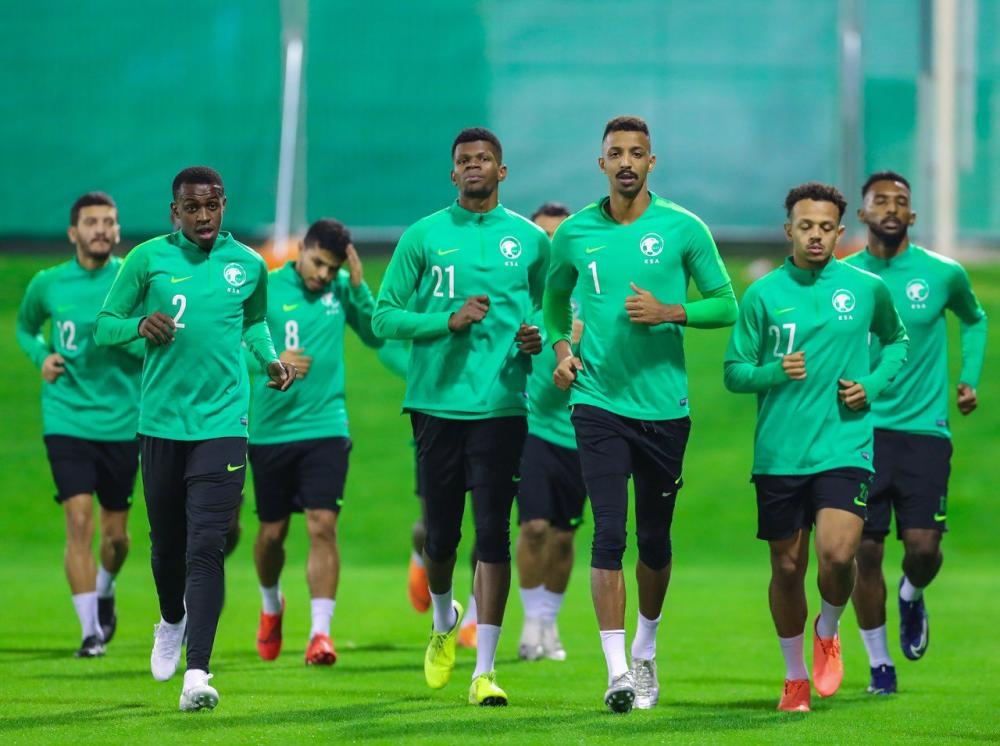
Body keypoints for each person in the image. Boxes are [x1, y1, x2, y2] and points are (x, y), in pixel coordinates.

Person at [544, 115, 738, 713]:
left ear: (652, 162)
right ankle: (618, 673)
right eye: (616, 153)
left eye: (637, 153)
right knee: (608, 532)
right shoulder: (574, 233)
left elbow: (726, 304)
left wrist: (671, 312)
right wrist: (562, 351)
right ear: (600, 162)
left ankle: (646, 650)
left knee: (654, 541)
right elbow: (553, 302)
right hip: (597, 402)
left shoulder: (683, 228)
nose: (626, 162)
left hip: (663, 409)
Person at [95, 166, 295, 711]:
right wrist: (138, 326)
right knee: (167, 547)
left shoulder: (249, 265)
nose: (203, 216)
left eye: (211, 205)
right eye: (191, 207)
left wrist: (269, 359)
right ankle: (171, 619)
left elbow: (253, 323)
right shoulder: (147, 259)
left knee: (207, 546)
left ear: (223, 204)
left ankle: (197, 673)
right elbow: (105, 325)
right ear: (174, 212)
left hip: (224, 424)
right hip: (161, 424)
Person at [373, 127, 547, 707]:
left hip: (501, 405)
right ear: (452, 173)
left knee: (494, 533)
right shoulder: (423, 235)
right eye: (464, 160)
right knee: (442, 536)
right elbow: (384, 317)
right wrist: (444, 321)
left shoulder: (530, 241)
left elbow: (547, 307)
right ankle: (443, 619)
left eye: (485, 159)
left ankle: (485, 671)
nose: (474, 166)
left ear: (502, 171)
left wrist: (537, 337)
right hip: (435, 405)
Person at [723, 182, 909, 713]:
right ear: (789, 230)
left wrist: (872, 385)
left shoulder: (866, 288)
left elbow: (897, 342)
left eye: (826, 227)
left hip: (844, 445)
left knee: (837, 554)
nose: (816, 235)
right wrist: (773, 371)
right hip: (780, 453)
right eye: (806, 226)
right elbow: (734, 372)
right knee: (786, 568)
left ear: (840, 232)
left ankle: (828, 628)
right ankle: (794, 676)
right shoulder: (762, 295)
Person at [846, 171, 987, 694]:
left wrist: (969, 379)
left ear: (912, 215)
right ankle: (880, 664)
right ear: (862, 214)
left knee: (924, 548)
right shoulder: (844, 277)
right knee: (865, 552)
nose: (890, 207)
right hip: (859, 432)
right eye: (879, 200)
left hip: (925, 432)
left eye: (900, 201)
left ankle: (911, 593)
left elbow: (974, 319)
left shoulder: (943, 273)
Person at [249, 218, 381, 665]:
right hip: (271, 430)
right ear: (301, 249)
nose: (324, 275)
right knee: (272, 534)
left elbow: (375, 334)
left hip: (326, 426)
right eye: (319, 263)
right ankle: (271, 605)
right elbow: (230, 347)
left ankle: (320, 635)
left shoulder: (343, 290)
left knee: (322, 525)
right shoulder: (265, 287)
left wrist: (359, 287)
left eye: (332, 268)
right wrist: (270, 360)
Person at [16, 192, 142, 658]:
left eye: (109, 221)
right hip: (66, 417)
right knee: (78, 518)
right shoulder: (48, 284)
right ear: (73, 232)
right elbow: (26, 327)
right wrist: (41, 356)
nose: (102, 230)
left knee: (116, 538)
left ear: (118, 229)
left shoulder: (134, 280)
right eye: (92, 222)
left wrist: (128, 337)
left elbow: (152, 341)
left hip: (123, 422)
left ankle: (105, 589)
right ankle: (91, 633)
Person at [515, 201, 584, 662]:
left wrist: (582, 341)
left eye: (560, 236)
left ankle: (549, 622)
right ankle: (529, 623)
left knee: (562, 536)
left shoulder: (592, 295)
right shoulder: (520, 295)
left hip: (580, 431)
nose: (552, 244)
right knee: (535, 527)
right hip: (531, 426)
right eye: (544, 236)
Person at [384, 338, 481, 648]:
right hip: (436, 424)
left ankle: (474, 619)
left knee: (489, 528)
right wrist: (424, 373)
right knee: (433, 528)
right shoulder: (435, 310)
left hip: (487, 419)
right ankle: (420, 554)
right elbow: (387, 345)